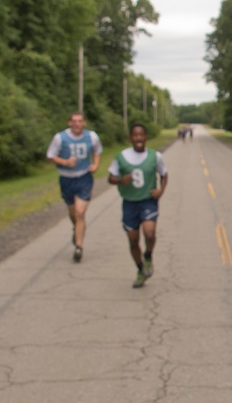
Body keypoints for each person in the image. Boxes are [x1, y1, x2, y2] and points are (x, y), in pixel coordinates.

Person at [107, 123, 168, 288]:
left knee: (149, 233)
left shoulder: (155, 156)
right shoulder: (121, 157)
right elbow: (110, 178)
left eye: (141, 135)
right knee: (133, 240)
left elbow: (164, 174)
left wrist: (160, 190)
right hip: (129, 203)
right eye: (135, 135)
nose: (138, 138)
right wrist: (120, 180)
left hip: (148, 201)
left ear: (146, 137)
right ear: (130, 138)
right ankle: (140, 269)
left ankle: (148, 255)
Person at [46, 111, 102, 263]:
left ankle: (79, 246)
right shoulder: (60, 138)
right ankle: (77, 229)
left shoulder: (91, 137)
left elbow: (97, 151)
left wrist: (96, 165)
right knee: (73, 213)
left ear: (84, 123)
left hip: (84, 177)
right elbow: (50, 156)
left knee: (80, 211)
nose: (77, 124)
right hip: (66, 179)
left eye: (80, 121)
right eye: (74, 121)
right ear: (69, 123)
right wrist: (64, 162)